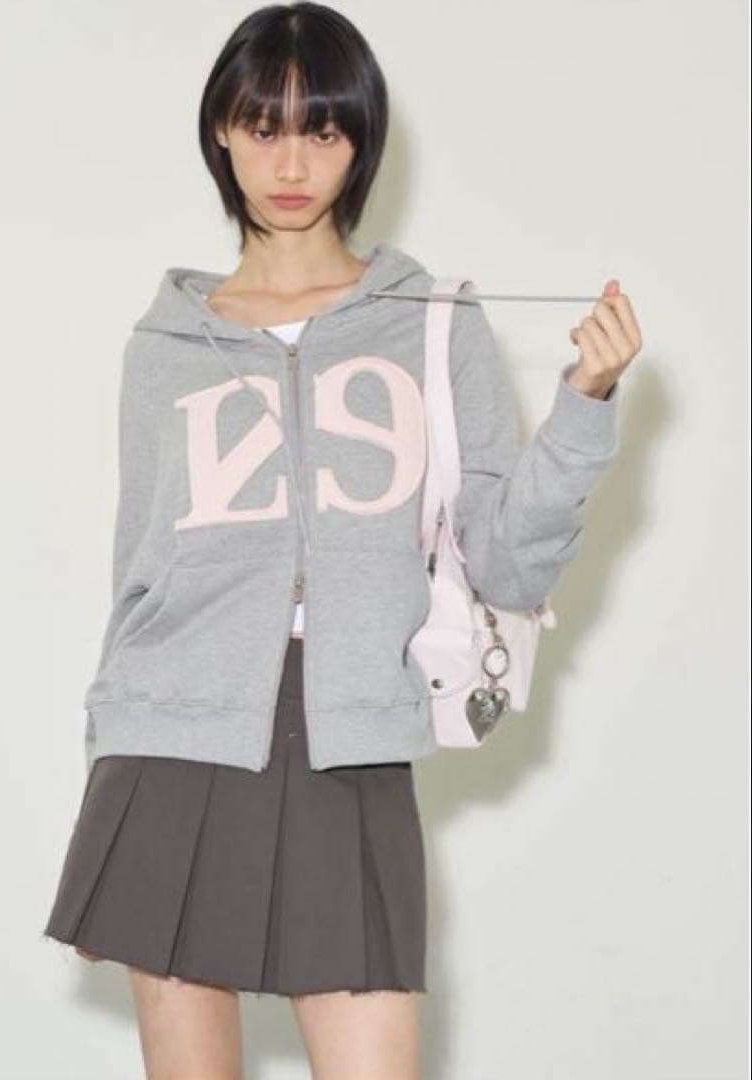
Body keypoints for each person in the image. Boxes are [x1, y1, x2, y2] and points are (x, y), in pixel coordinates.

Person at [41, 3, 643, 1076]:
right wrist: (105, 794)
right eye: (261, 126)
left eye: (321, 130)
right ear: (220, 132)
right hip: (171, 744)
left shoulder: (432, 324)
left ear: (360, 141)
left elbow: (507, 565)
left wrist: (584, 403)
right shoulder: (164, 346)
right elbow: (137, 577)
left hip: (351, 740)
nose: (290, 163)